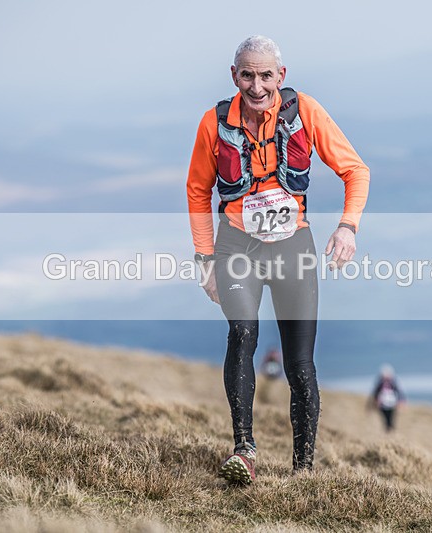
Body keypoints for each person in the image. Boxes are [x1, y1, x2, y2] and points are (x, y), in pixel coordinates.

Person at [186, 36, 369, 485]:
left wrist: (348, 227)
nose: (257, 84)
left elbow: (355, 170)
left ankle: (302, 470)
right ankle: (244, 450)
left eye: (265, 75)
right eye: (247, 74)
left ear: (280, 77)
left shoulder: (303, 111)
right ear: (235, 77)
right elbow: (197, 190)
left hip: (293, 248)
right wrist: (205, 258)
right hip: (236, 247)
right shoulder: (213, 123)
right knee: (242, 334)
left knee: (300, 365)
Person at [368, 365, 405, 432]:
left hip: (392, 404)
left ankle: (391, 431)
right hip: (383, 404)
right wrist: (374, 402)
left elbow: (399, 392)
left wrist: (401, 401)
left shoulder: (393, 383)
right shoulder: (380, 384)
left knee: (391, 419)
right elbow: (375, 393)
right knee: (385, 419)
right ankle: (387, 431)